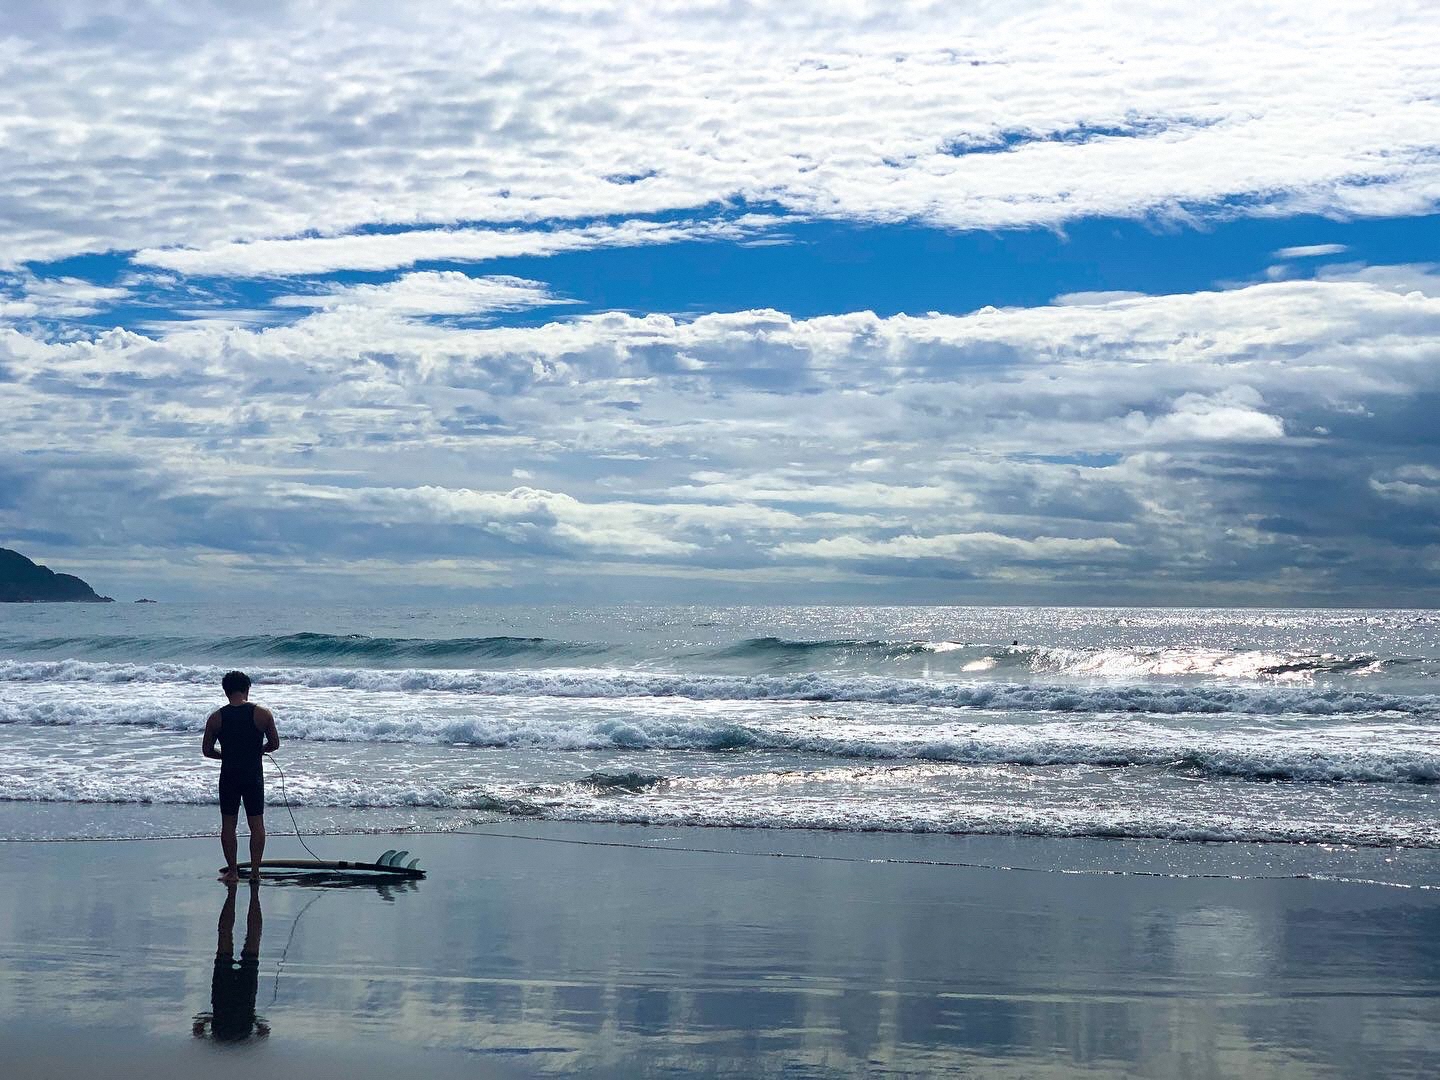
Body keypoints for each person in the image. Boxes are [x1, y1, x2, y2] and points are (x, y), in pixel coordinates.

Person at [202, 671, 280, 883]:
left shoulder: (216, 717)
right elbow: (275, 744)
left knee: (229, 824)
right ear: (247, 689)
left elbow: (207, 750)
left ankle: (233, 873)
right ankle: (255, 873)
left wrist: (227, 755)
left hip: (229, 774)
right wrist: (258, 750)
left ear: (226, 691)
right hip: (253, 773)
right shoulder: (262, 713)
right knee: (257, 824)